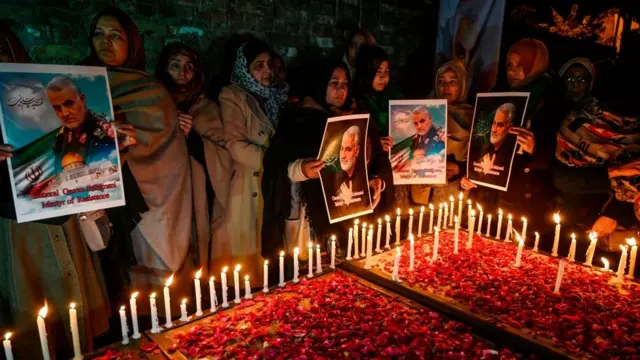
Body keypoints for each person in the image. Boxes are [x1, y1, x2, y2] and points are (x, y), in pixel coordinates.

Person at [0, 23, 110, 359]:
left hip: (65, 212)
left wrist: (111, 138)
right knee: (36, 313)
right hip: (18, 224)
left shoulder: (43, 100)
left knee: (78, 308)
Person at [81, 7, 193, 301]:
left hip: (147, 195)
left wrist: (130, 140)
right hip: (92, 196)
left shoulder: (150, 89)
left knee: (148, 289)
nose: (106, 41)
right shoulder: (76, 84)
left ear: (131, 43)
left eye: (115, 35)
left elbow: (168, 148)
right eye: (99, 34)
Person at [262, 61, 391, 262]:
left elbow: (376, 157)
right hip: (311, 220)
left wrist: (375, 180)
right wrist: (301, 169)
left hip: (350, 214)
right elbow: (275, 165)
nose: (341, 89)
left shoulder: (358, 117)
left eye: (345, 83)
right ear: (320, 84)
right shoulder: (299, 119)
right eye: (334, 83)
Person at [213, 39, 288, 281]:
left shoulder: (278, 97)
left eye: (270, 65)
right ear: (244, 68)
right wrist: (278, 164)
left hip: (274, 183)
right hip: (247, 184)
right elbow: (236, 145)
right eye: (258, 66)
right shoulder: (233, 95)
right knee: (247, 260)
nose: (266, 71)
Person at [155, 42, 231, 270]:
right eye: (175, 65)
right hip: (161, 191)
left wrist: (192, 139)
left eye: (189, 66)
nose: (183, 73)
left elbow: (223, 153)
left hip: (196, 192)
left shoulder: (206, 108)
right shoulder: (153, 105)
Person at [553, 58, 640, 239]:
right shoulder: (579, 122)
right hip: (570, 221)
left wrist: (614, 212)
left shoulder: (636, 131)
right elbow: (562, 178)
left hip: (619, 233)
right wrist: (612, 172)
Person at [413, 60, 474, 205]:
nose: (446, 87)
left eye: (453, 82)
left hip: (453, 192)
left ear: (463, 85)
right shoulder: (419, 112)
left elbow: (479, 156)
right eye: (441, 82)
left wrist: (460, 169)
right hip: (422, 189)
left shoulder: (472, 116)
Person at [46, 76, 122, 172]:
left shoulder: (106, 130)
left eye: (69, 104)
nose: (64, 113)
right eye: (57, 108)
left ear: (82, 100)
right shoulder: (59, 140)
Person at [354, 45, 399, 152]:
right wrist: (374, 142)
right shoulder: (354, 100)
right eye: (378, 72)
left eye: (386, 71)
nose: (383, 77)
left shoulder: (394, 96)